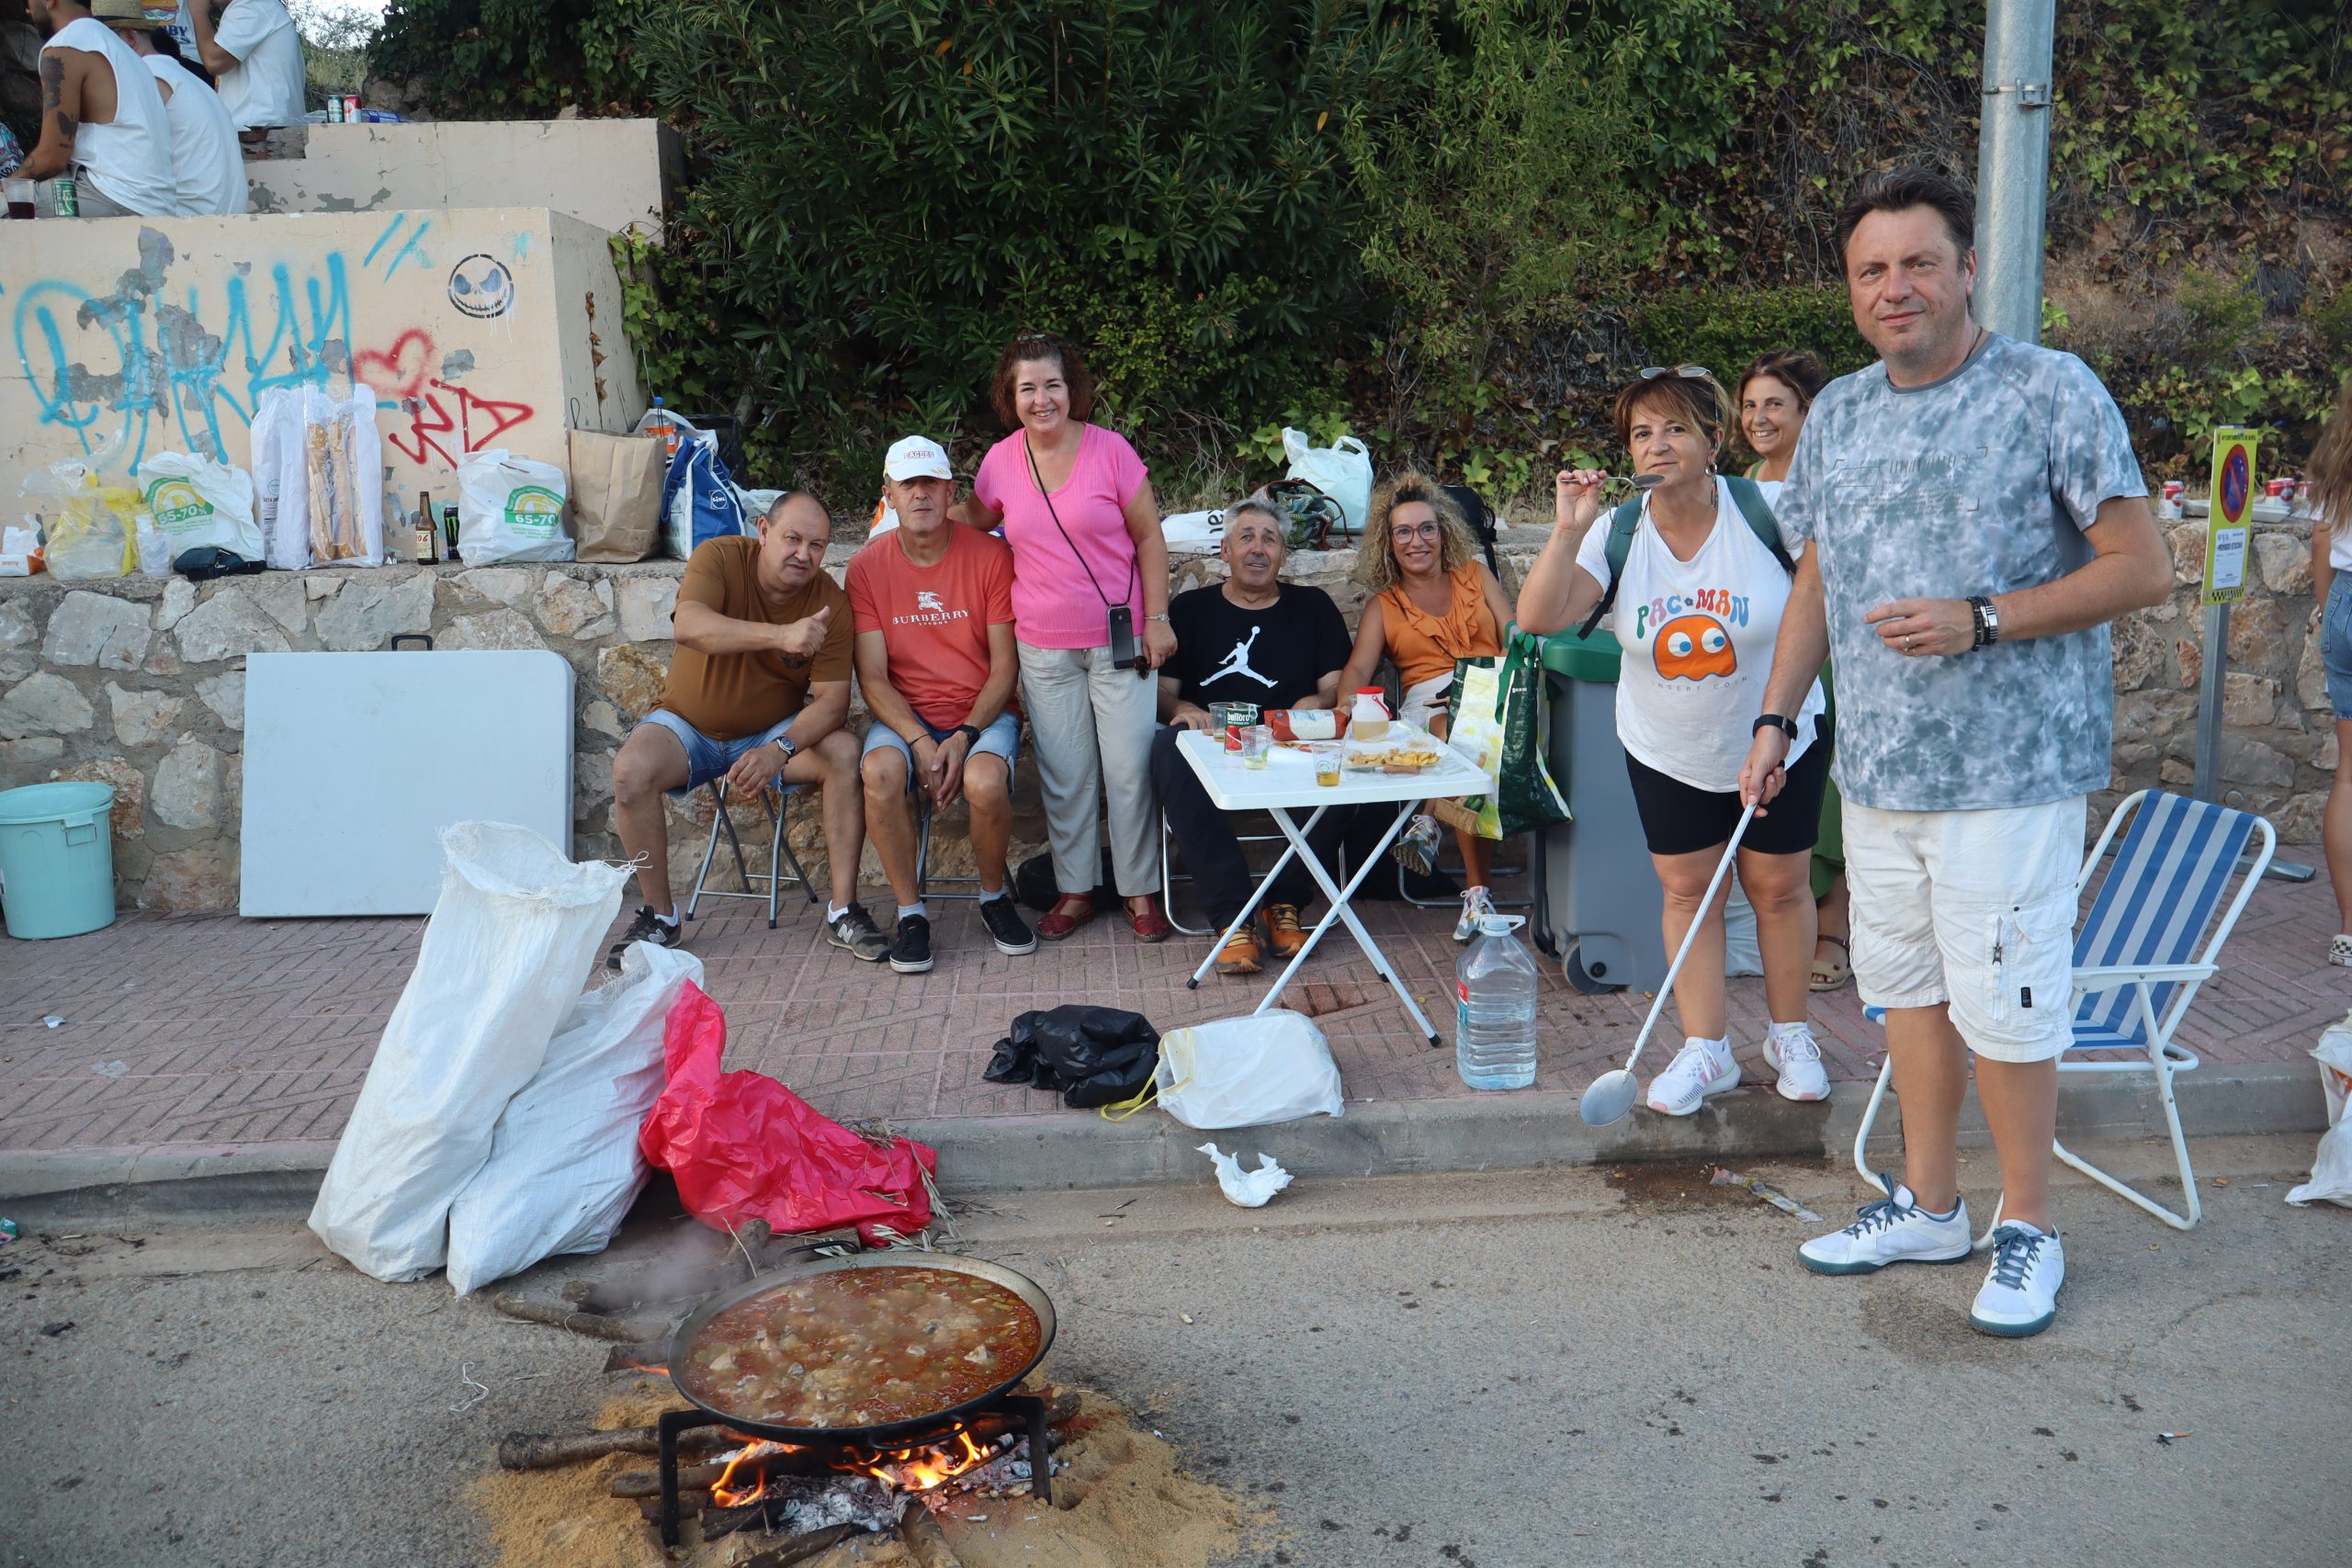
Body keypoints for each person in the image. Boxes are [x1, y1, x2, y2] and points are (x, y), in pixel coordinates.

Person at [1738, 168, 2171, 1337]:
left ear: (1967, 269)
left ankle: (2030, 1225)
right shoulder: (1838, 413)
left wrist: (1982, 618)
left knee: (2009, 1006)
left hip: (2010, 776)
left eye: (1919, 263)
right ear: (1849, 289)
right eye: (1871, 270)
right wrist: (1776, 719)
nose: (1896, 288)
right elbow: (1817, 578)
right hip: (1880, 776)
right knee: (1909, 997)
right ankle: (1930, 1206)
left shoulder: (2047, 389)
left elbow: (2141, 567)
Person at [1515, 367, 1833, 1109]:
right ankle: (1706, 1049)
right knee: (1690, 892)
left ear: (1714, 441)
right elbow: (1538, 618)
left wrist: (1778, 725)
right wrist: (1567, 529)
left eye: (1675, 428)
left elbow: (1821, 603)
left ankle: (1790, 1035)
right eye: (1641, 433)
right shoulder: (1616, 531)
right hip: (1667, 748)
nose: (1657, 444)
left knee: (1779, 888)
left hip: (1781, 737)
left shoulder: (1769, 511)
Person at [955, 331, 1173, 943]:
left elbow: (1150, 537)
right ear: (1011, 396)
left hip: (1120, 640)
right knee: (1065, 773)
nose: (1041, 399)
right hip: (1043, 646)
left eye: (1052, 385)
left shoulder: (1110, 451)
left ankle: (1138, 890)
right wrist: (912, 508)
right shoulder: (1001, 461)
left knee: (1129, 771)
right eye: (1028, 388)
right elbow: (974, 520)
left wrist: (1158, 617)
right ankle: (1076, 889)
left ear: (1071, 389)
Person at [607, 492, 888, 968]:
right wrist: (781, 635)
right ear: (763, 531)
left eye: (817, 545)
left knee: (844, 752)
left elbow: (833, 703)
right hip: (686, 727)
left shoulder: (829, 603)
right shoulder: (719, 557)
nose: (803, 554)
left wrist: (780, 749)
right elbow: (689, 626)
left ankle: (844, 910)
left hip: (769, 734)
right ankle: (660, 916)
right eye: (792, 539)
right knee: (629, 772)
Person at [847, 435, 1034, 973]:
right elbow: (873, 677)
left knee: (985, 781)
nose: (920, 494)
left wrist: (964, 735)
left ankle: (994, 899)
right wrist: (920, 741)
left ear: (951, 490)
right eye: (908, 484)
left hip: (981, 713)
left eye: (931, 482)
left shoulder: (991, 557)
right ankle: (911, 916)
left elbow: (1004, 669)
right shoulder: (866, 568)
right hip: (907, 716)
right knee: (879, 772)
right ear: (888, 494)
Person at [1153, 495, 1354, 975]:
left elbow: (1335, 686)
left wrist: (1317, 702)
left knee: (1344, 756)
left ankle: (1284, 904)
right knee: (1166, 747)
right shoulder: (1190, 609)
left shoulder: (1313, 607)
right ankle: (1233, 917)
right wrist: (1182, 709)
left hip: (1289, 739)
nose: (1258, 548)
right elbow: (1162, 692)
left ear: (1284, 555)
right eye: (1246, 537)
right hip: (1212, 742)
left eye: (1270, 540)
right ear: (1225, 551)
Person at [1337, 472, 1515, 941]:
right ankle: (1477, 895)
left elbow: (1514, 635)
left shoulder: (1475, 575)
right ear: (1389, 543)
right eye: (1403, 532)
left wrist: (1486, 684)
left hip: (1495, 693)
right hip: (1430, 708)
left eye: (1426, 529)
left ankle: (1428, 820)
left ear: (1443, 533)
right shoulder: (1384, 606)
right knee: (1452, 730)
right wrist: (1346, 705)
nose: (1417, 541)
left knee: (1463, 729)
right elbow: (1358, 669)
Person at [1739, 348, 1849, 991]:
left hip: (1827, 655)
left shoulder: (1831, 479)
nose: (1760, 417)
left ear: (1808, 413)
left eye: (1775, 404)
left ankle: (1834, 925)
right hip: (1764, 658)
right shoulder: (1745, 481)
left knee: (1825, 789)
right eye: (1750, 405)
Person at [23, 0, 177, 217]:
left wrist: (9, 184)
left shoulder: (65, 46)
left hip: (114, 197)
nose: (27, 10)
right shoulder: (123, 51)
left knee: (7, 205)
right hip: (156, 205)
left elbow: (52, 158)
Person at [96, 0, 243, 216]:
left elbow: (121, 168)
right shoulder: (190, 80)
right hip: (220, 217)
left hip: (187, 219)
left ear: (129, 38)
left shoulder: (145, 75)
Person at [2308, 370, 2352, 965]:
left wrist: (2328, 614)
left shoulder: (2339, 449)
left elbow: (2322, 539)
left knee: (2349, 775)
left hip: (2345, 596)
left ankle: (2349, 932)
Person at [189, 0, 302, 150]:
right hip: (265, 132)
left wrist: (197, 11)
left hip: (259, 134)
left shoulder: (250, 6)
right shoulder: (260, 6)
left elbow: (214, 61)